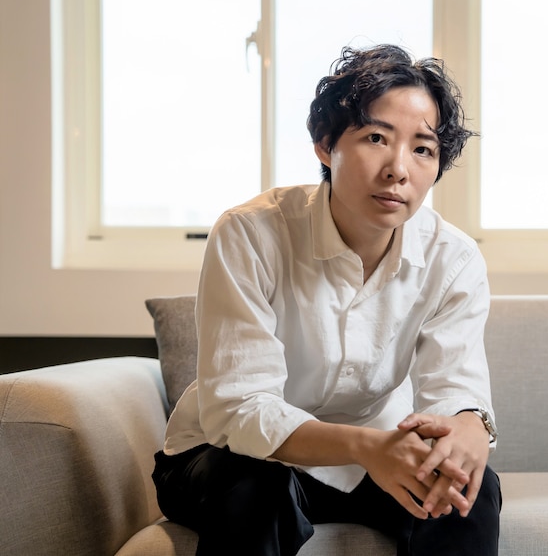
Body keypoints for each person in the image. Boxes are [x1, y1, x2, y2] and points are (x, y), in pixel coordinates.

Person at [152, 44, 501, 556]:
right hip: (227, 456)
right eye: (376, 138)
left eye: (423, 149)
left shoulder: (454, 258)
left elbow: (456, 390)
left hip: (372, 460)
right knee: (258, 486)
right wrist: (366, 446)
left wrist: (470, 428)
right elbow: (239, 409)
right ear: (325, 144)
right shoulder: (251, 233)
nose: (398, 169)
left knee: (470, 490)